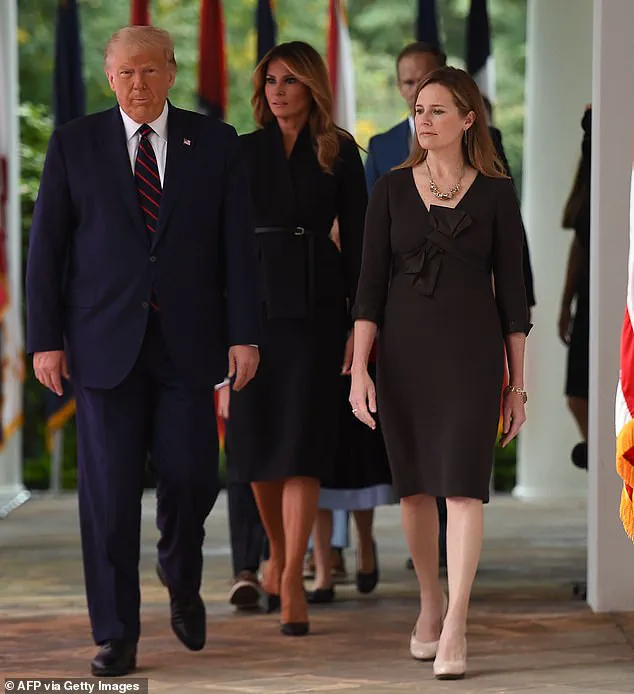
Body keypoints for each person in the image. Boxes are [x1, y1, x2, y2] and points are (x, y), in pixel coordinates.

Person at [26, 26, 260, 676]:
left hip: (189, 344)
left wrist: (244, 334)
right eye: (126, 72)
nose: (138, 83)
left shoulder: (215, 142)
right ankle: (116, 634)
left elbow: (238, 248)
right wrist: (44, 340)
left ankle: (179, 574)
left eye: (150, 70)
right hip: (101, 346)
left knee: (193, 477)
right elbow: (47, 249)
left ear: (171, 73)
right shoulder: (74, 144)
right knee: (109, 496)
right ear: (110, 78)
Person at [350, 67, 530, 680]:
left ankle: (457, 621)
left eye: (437, 111)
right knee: (415, 488)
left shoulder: (498, 194)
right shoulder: (390, 190)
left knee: (464, 487)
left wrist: (517, 385)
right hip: (403, 355)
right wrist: (360, 370)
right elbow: (368, 290)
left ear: (468, 119)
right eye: (419, 110)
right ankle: (430, 599)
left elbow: (515, 300)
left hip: (473, 356)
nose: (423, 120)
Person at [227, 41, 366, 637]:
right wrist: (226, 322)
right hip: (254, 308)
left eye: (290, 80)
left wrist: (360, 329)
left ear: (313, 86)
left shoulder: (339, 149)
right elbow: (223, 240)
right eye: (270, 81)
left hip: (317, 310)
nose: (278, 90)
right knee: (258, 444)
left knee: (302, 444)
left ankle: (290, 579)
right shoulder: (241, 150)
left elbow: (361, 244)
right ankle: (281, 555)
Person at [559, 107, 591, 470]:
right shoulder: (589, 176)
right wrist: (565, 303)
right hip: (586, 297)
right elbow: (578, 245)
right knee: (577, 394)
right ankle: (604, 460)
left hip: (611, 293)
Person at [217, 384, 266, 610]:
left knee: (289, 468)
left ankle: (282, 566)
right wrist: (224, 383)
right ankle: (245, 571)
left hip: (295, 373)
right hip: (240, 379)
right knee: (241, 467)